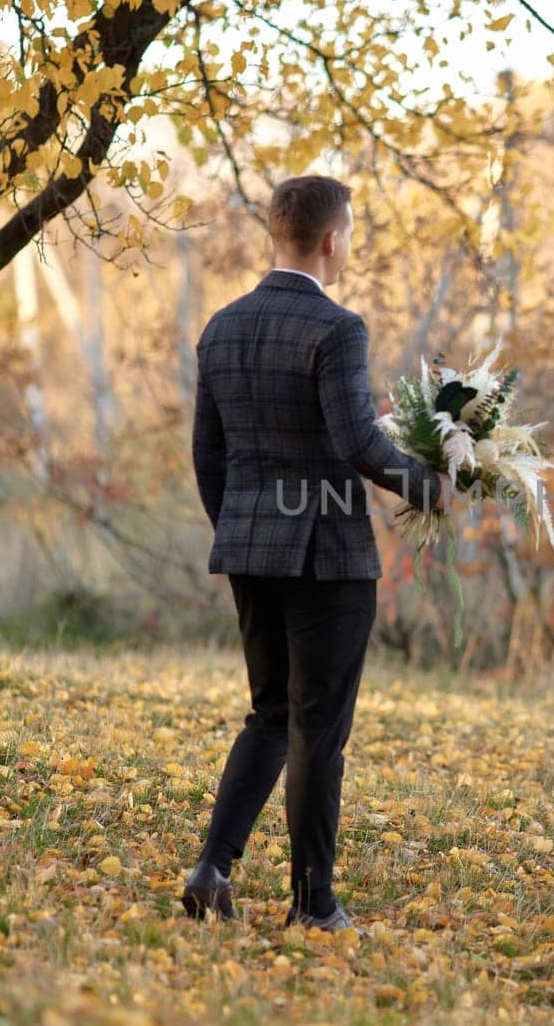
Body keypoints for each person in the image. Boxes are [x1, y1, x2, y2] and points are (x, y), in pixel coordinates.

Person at [182, 175, 452, 934]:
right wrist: (430, 487)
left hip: (250, 550)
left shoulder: (222, 326)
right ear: (332, 239)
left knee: (270, 714)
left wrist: (239, 527)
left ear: (278, 232)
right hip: (327, 556)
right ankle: (312, 903)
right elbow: (357, 442)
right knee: (317, 731)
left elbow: (208, 453)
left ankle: (212, 868)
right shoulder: (338, 329)